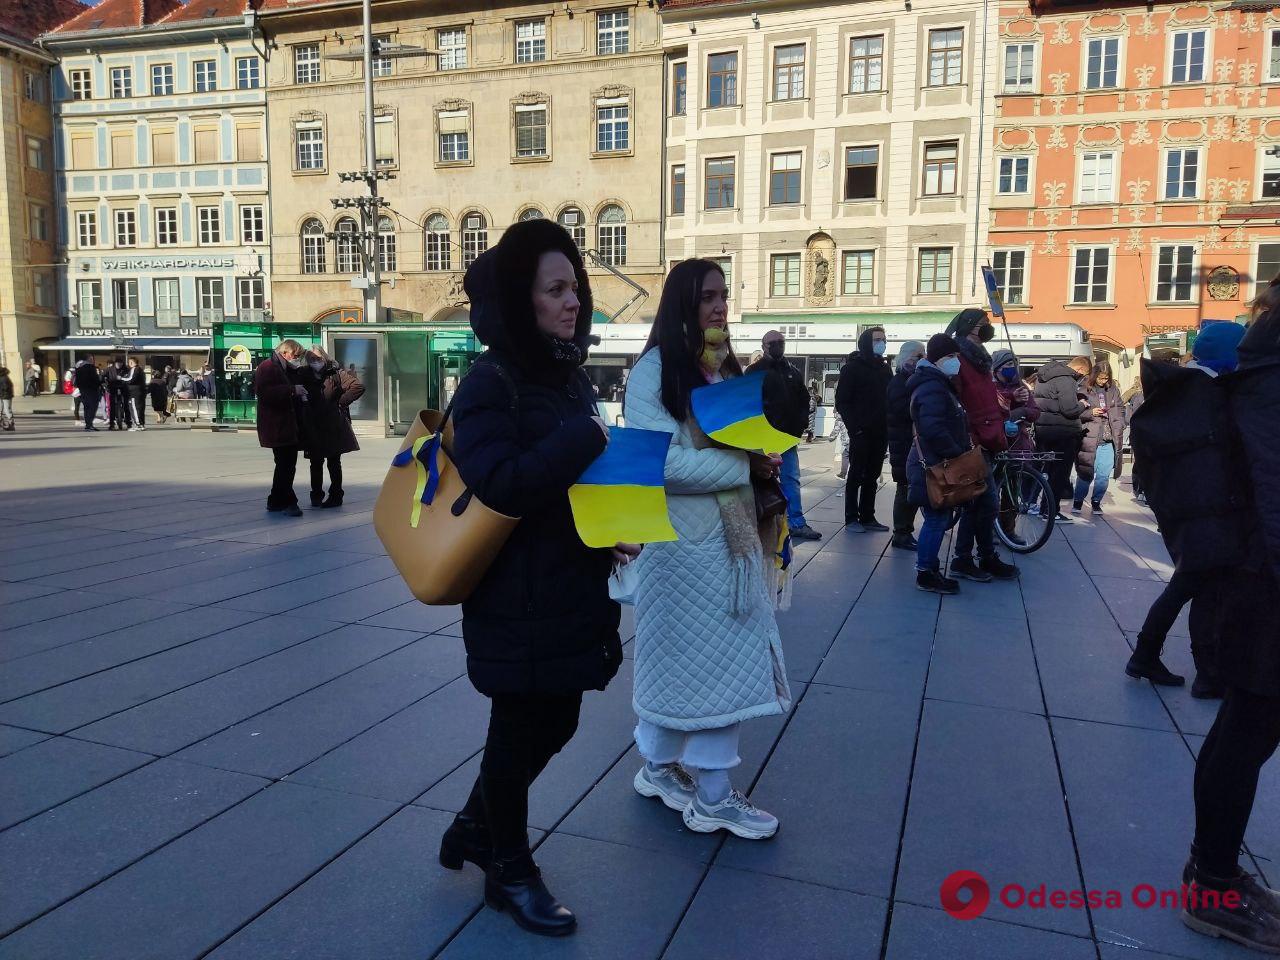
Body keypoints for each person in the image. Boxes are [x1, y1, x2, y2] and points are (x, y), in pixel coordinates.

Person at [440, 218, 628, 938]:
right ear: (522, 302)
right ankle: (509, 869)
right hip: (514, 596)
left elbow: (567, 488)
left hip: (567, 584)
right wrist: (584, 436)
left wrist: (608, 530)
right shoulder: (490, 382)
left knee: (561, 716)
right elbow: (502, 486)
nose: (573, 301)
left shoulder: (564, 376)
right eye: (555, 290)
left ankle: (472, 826)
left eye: (574, 287)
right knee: (519, 726)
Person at [624, 258, 790, 844]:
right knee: (717, 672)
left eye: (723, 295)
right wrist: (740, 463)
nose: (719, 306)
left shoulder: (721, 371)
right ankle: (714, 799)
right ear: (681, 305)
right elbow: (658, 463)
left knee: (688, 666)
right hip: (687, 551)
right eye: (706, 297)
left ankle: (658, 767)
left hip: (726, 546)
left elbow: (741, 441)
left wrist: (764, 453)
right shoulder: (653, 374)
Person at [1181, 291, 1280, 952]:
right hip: (1264, 581)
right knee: (1250, 727)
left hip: (1249, 576)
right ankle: (1212, 883)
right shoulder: (1271, 383)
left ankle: (1211, 872)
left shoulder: (1260, 371)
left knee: (1245, 724)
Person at [1127, 321, 1249, 693]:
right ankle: (1199, 671)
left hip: (1185, 508)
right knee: (1196, 586)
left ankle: (1175, 663)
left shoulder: (1178, 391)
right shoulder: (1209, 395)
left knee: (1194, 584)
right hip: (1210, 509)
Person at [941, 309, 1018, 582]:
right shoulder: (960, 360)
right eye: (985, 324)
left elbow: (986, 398)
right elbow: (956, 404)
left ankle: (980, 557)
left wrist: (1004, 410)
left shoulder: (981, 360)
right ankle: (969, 558)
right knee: (984, 502)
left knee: (981, 504)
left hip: (987, 438)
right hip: (973, 441)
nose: (989, 328)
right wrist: (969, 437)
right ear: (972, 328)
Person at [907, 334, 969, 594]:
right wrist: (957, 453)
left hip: (935, 462)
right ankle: (926, 572)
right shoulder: (933, 386)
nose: (956, 362)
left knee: (938, 518)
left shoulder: (938, 383)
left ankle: (928, 568)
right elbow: (933, 428)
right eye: (951, 357)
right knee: (936, 519)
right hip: (933, 464)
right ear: (938, 359)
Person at [745, 331, 821, 541]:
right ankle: (762, 521)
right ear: (764, 346)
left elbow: (803, 400)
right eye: (773, 343)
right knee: (761, 480)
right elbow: (749, 404)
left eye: (781, 342)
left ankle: (796, 522)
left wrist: (801, 424)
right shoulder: (754, 372)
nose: (778, 345)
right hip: (763, 438)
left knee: (791, 479)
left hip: (787, 437)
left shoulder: (792, 371)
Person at [835, 327, 892, 531]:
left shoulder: (885, 368)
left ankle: (868, 516)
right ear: (866, 341)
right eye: (877, 339)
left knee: (873, 475)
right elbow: (842, 401)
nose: (882, 343)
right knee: (856, 474)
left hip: (881, 431)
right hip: (861, 431)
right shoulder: (852, 368)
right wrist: (855, 429)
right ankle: (851, 518)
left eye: (884, 339)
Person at [300, 346, 364, 508]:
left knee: (334, 462)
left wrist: (340, 402)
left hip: (332, 423)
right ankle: (316, 495)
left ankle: (336, 495)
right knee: (315, 462)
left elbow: (358, 387)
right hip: (313, 423)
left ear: (324, 358)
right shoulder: (303, 373)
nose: (315, 362)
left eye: (318, 359)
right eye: (312, 359)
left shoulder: (335, 373)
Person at [991, 349, 1040, 543]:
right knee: (992, 489)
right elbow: (994, 410)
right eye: (1007, 365)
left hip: (1018, 444)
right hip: (995, 443)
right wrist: (1013, 401)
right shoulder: (990, 387)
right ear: (997, 369)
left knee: (1012, 490)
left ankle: (1008, 529)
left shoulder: (1022, 387)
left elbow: (1035, 411)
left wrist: (1021, 411)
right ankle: (990, 528)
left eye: (1014, 364)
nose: (1012, 368)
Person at [1034, 357, 1091, 522]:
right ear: (1080, 369)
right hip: (1063, 433)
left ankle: (1044, 508)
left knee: (1049, 472)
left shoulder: (1044, 376)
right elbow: (1069, 410)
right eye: (1084, 375)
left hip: (1044, 430)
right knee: (1059, 474)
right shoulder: (1066, 380)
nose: (1082, 378)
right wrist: (1082, 404)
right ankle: (1050, 510)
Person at [254, 340, 306, 517]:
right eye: (296, 355)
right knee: (286, 465)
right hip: (277, 425)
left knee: (285, 464)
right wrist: (292, 390)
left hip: (284, 425)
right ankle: (288, 502)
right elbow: (265, 392)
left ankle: (275, 500)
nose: (297, 359)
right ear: (286, 352)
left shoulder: (282, 367)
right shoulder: (268, 367)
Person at [886, 340, 926, 550]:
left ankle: (904, 530)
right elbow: (903, 410)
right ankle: (901, 532)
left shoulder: (908, 380)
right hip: (903, 441)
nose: (922, 360)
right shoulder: (901, 382)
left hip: (906, 440)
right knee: (905, 487)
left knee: (908, 486)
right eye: (919, 356)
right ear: (906, 358)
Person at [1072, 361, 1126, 515]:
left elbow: (1121, 408)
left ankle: (1096, 501)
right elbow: (1075, 411)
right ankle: (1078, 500)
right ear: (1094, 375)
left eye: (1106, 378)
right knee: (1086, 471)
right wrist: (1090, 413)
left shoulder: (1113, 390)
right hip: (1090, 436)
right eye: (1101, 378)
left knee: (1104, 473)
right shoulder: (1083, 389)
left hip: (1109, 438)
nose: (1103, 381)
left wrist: (1121, 422)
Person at [73, 356, 101, 431]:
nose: (93, 360)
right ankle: (89, 424)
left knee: (86, 407)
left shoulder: (78, 367)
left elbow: (77, 380)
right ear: (88, 359)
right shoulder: (90, 367)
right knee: (92, 407)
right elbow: (95, 378)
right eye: (91, 359)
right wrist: (99, 383)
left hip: (82, 389)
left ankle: (88, 425)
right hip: (91, 389)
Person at [106, 358, 132, 431]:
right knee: (112, 407)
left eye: (121, 363)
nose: (119, 364)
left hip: (124, 389)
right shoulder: (109, 369)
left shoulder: (126, 369)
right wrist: (105, 384)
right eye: (118, 363)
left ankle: (128, 423)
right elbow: (102, 376)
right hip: (113, 388)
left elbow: (130, 377)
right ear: (115, 363)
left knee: (126, 406)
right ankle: (112, 424)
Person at [122, 357, 146, 431]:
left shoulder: (134, 369)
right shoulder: (141, 370)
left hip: (134, 392)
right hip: (140, 391)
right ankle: (141, 424)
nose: (128, 364)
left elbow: (131, 379)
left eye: (129, 362)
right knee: (140, 408)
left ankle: (138, 424)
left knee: (134, 408)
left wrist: (121, 378)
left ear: (132, 362)